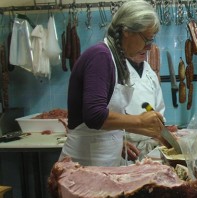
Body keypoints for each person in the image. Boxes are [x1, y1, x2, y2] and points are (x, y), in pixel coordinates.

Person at [59, 0, 167, 166]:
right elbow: (94, 115)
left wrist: (117, 139)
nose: (148, 47)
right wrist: (140, 121)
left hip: (103, 159)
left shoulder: (117, 60)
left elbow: (109, 117)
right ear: (127, 31)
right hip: (84, 164)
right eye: (147, 39)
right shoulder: (100, 56)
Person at [124, 48, 166, 161]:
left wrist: (160, 133)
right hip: (126, 147)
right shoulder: (118, 69)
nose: (145, 48)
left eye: (148, 42)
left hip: (150, 147)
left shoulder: (149, 71)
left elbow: (159, 108)